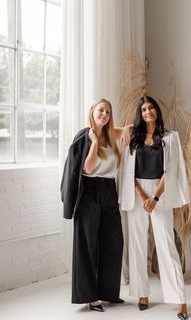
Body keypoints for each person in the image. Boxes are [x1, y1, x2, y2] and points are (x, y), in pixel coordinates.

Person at [118, 95, 190, 320]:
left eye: (150, 108)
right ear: (139, 114)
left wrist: (155, 198)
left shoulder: (171, 137)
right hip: (136, 191)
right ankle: (142, 294)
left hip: (161, 192)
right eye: (143, 110)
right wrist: (142, 195)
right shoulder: (132, 138)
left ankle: (180, 300)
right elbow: (127, 171)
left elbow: (172, 171)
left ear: (156, 110)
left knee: (167, 245)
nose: (147, 112)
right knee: (137, 244)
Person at [61, 98, 128, 312]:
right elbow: (87, 169)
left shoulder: (112, 135)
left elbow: (131, 128)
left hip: (109, 190)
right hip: (89, 191)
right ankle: (90, 297)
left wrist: (128, 126)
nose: (105, 115)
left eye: (108, 112)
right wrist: (94, 141)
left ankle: (108, 291)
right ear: (93, 111)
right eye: (101, 110)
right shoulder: (84, 136)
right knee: (87, 243)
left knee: (113, 241)